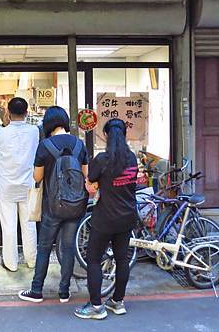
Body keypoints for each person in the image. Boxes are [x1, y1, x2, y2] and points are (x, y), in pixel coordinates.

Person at [18, 106, 88, 304]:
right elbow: (85, 174)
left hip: (52, 206)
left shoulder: (45, 145)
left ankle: (36, 291)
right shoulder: (79, 144)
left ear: (48, 124)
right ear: (65, 121)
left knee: (44, 248)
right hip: (75, 205)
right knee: (68, 248)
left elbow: (37, 177)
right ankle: (64, 292)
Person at [74, 118, 139, 320]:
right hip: (127, 217)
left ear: (107, 136)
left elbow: (91, 182)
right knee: (122, 260)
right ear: (124, 135)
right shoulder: (132, 159)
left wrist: (95, 184)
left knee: (93, 259)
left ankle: (96, 306)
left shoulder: (102, 159)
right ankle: (117, 302)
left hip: (105, 218)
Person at [0, 98, 39, 272]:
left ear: (8, 113)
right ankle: (32, 260)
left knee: (8, 226)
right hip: (28, 185)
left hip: (6, 186)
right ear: (26, 112)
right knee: (29, 224)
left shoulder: (0, 133)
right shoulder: (34, 131)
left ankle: (11, 263)